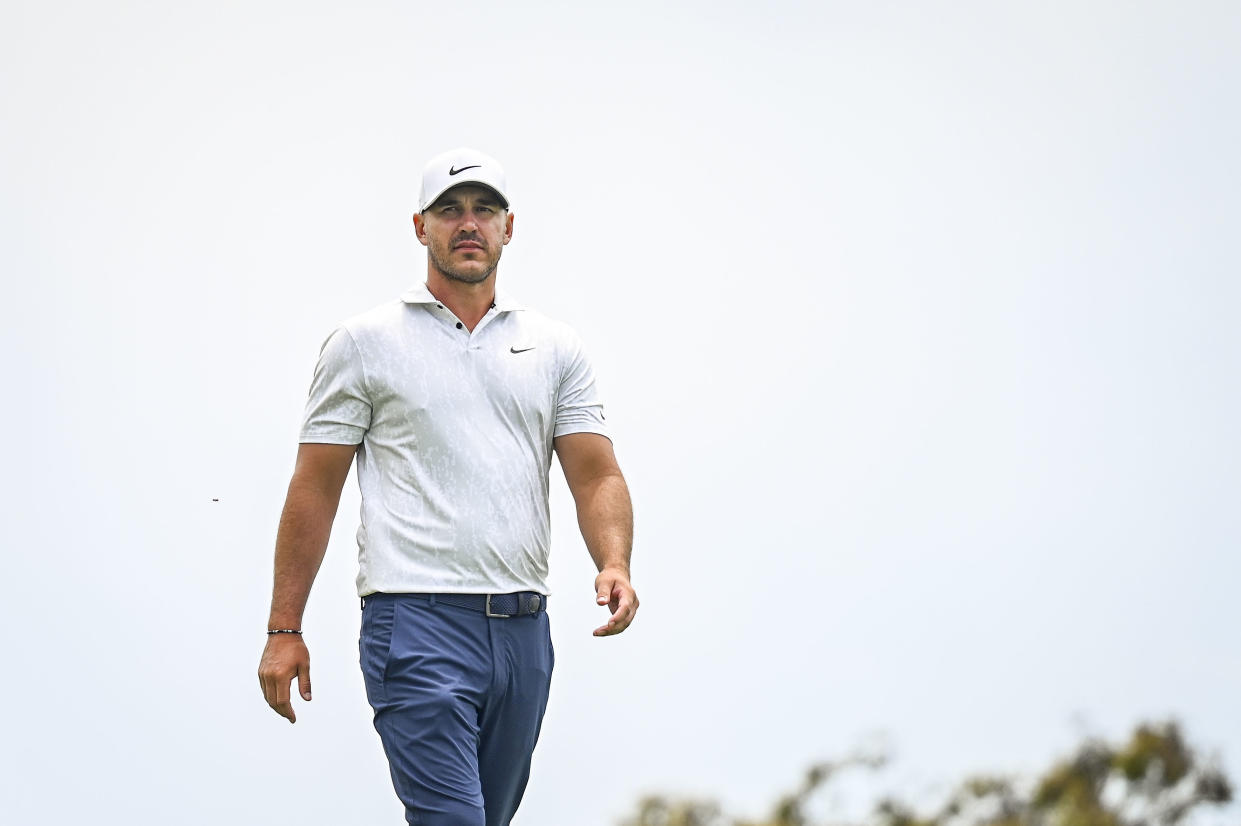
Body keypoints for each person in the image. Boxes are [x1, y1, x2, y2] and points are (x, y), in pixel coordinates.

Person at [256, 147, 637, 826]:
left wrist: (613, 562)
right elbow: (315, 486)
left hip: (524, 632)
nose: (469, 224)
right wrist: (285, 625)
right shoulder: (365, 342)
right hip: (415, 622)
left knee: (484, 820)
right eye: (450, 211)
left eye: (484, 210)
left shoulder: (554, 347)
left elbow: (596, 472)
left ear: (508, 228)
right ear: (419, 226)